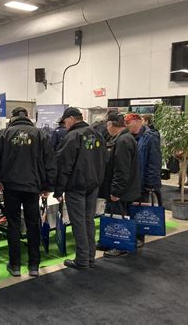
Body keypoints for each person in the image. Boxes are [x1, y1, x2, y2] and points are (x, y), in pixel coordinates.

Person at [0, 107, 55, 277]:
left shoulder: (3, 135)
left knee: (13, 225)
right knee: (33, 225)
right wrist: (47, 187)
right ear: (28, 117)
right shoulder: (41, 135)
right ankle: (34, 266)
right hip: (33, 188)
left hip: (11, 188)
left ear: (12, 118)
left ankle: (15, 265)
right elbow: (51, 164)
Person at [53, 107, 106, 269]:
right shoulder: (96, 134)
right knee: (88, 220)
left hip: (76, 187)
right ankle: (90, 257)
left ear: (71, 119)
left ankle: (82, 259)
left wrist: (58, 190)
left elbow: (63, 167)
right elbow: (104, 159)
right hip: (93, 185)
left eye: (65, 121)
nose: (64, 125)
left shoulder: (72, 137)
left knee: (78, 223)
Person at [99, 112, 140, 257]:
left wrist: (116, 192)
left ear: (110, 124)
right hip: (123, 189)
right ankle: (111, 241)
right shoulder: (125, 138)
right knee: (114, 216)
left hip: (122, 191)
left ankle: (120, 246)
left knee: (119, 217)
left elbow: (121, 170)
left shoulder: (123, 141)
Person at [124, 113, 162, 247]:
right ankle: (130, 234)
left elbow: (154, 162)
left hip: (142, 182)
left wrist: (151, 184)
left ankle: (139, 237)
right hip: (130, 182)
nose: (127, 126)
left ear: (138, 121)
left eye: (128, 123)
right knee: (130, 210)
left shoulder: (150, 137)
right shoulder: (129, 137)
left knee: (140, 211)